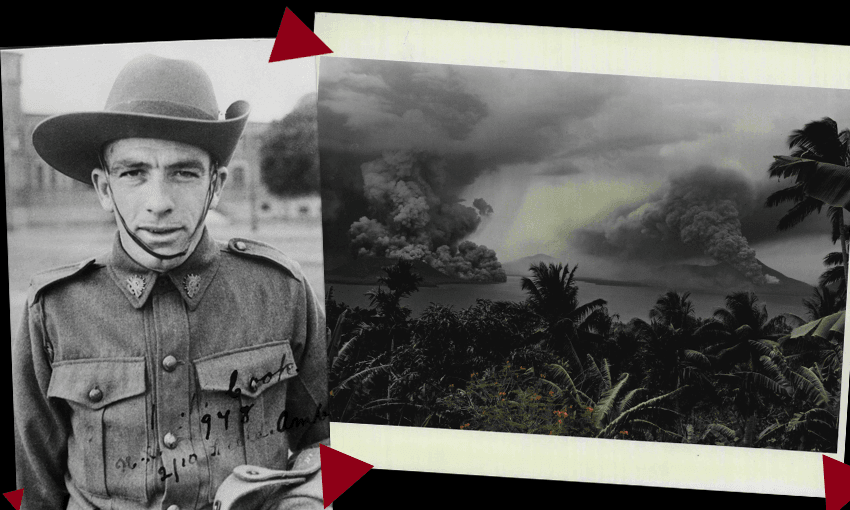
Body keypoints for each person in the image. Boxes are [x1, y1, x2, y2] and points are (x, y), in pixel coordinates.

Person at [12, 53, 329, 510]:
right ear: (104, 188)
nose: (158, 202)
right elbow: (34, 489)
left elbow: (333, 440)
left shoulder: (281, 291)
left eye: (183, 172)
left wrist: (302, 500)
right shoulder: (53, 310)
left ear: (215, 186)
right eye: (134, 173)